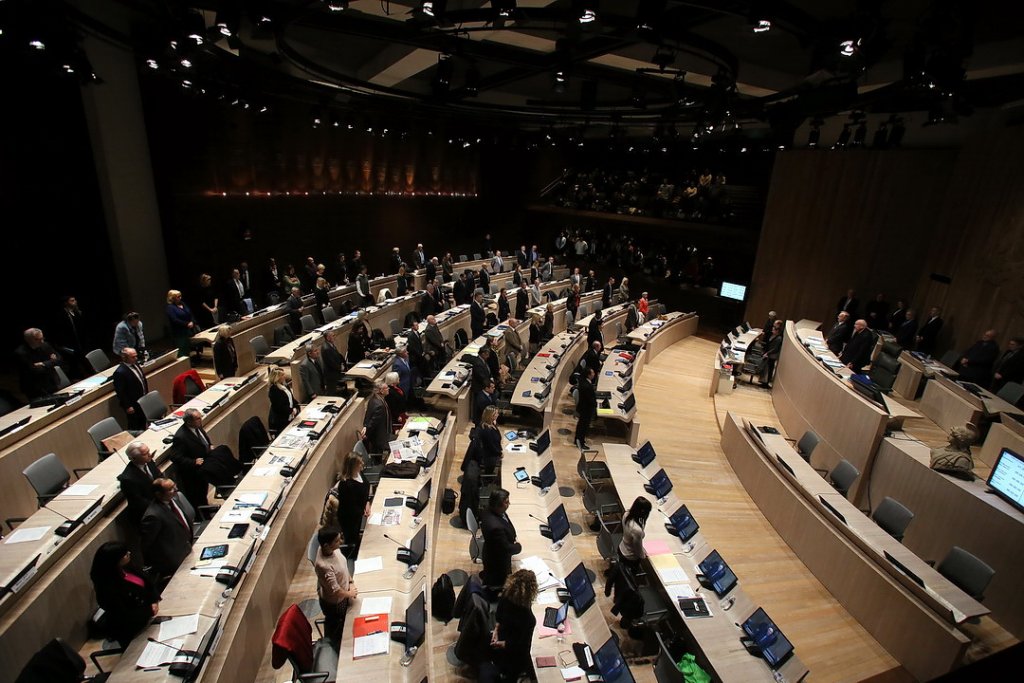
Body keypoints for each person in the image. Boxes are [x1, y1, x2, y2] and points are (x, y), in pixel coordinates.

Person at [90, 542, 159, 647]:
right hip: (133, 629)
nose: (129, 553)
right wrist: (149, 609)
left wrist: (154, 600)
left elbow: (148, 584)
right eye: (125, 554)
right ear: (115, 560)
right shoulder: (108, 588)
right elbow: (124, 614)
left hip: (148, 617)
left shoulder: (127, 568)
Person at [140, 478, 194, 580]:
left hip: (186, 548)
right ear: (158, 494)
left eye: (174, 486)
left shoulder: (174, 500)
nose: (175, 489)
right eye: (170, 489)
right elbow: (147, 545)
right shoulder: (153, 516)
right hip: (173, 560)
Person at [490, 569, 538, 682]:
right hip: (512, 657)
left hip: (500, 640)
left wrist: (496, 631)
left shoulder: (506, 595)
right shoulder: (528, 619)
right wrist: (502, 644)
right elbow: (522, 648)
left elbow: (499, 616)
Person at [314, 526, 357, 643]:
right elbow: (336, 591)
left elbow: (342, 566)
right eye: (337, 541)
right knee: (352, 620)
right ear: (327, 545)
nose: (341, 542)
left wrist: (350, 581)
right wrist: (350, 593)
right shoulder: (324, 566)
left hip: (346, 588)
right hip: (336, 603)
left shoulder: (330, 549)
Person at [171, 408, 216, 509]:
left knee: (203, 492)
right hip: (192, 474)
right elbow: (175, 457)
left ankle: (206, 509)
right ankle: (202, 515)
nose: (200, 420)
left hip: (203, 468)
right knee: (197, 496)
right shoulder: (181, 437)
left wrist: (209, 445)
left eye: (200, 417)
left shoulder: (197, 427)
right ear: (188, 421)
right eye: (197, 418)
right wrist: (193, 462)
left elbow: (203, 440)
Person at [480, 488, 521, 588]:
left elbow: (506, 522)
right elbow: (506, 549)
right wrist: (518, 547)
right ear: (498, 504)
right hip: (498, 564)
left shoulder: (490, 510)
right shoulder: (495, 527)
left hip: (492, 549)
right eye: (506, 502)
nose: (509, 504)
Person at [333, 455, 371, 555]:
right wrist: (363, 510)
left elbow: (366, 489)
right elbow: (350, 507)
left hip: (360, 512)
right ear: (352, 466)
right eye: (360, 463)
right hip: (350, 519)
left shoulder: (359, 473)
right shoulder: (345, 485)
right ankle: (353, 555)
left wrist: (367, 502)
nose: (362, 464)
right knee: (353, 542)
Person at [117, 441, 162, 523]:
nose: (150, 454)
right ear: (133, 458)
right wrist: (161, 505)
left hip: (159, 504)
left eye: (149, 451)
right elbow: (138, 502)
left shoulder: (149, 462)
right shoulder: (127, 479)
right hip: (147, 515)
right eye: (145, 454)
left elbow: (159, 477)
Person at [15, 328, 64, 399]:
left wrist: (43, 364)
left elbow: (59, 359)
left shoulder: (45, 345)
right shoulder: (20, 353)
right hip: (34, 387)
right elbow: (35, 370)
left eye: (42, 338)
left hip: (51, 381)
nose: (42, 341)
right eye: (37, 339)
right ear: (28, 340)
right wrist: (52, 362)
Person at [113, 347, 149, 431]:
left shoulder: (136, 365)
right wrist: (127, 406)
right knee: (135, 427)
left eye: (136, 356)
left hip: (142, 400)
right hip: (133, 405)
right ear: (124, 358)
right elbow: (120, 392)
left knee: (143, 423)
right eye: (133, 357)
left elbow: (142, 380)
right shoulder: (120, 372)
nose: (136, 358)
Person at [54, 295, 89, 379]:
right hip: (69, 344)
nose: (75, 302)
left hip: (79, 342)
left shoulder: (76, 312)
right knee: (74, 364)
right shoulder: (61, 315)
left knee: (83, 362)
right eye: (72, 301)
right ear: (66, 303)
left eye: (75, 300)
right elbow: (61, 331)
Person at [617, 496, 652, 575]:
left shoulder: (626, 515)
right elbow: (638, 550)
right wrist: (644, 556)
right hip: (629, 556)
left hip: (621, 547)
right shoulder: (637, 530)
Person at [361, 381, 392, 453]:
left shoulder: (374, 399)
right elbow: (373, 422)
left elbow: (368, 416)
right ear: (381, 390)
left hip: (381, 434)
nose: (388, 389)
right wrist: (366, 432)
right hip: (379, 438)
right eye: (386, 388)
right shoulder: (379, 405)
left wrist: (365, 426)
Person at [166, 289, 196, 358]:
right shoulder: (170, 308)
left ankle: (189, 362)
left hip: (188, 330)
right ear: (172, 298)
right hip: (179, 332)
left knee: (187, 348)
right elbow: (174, 320)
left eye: (180, 296)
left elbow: (190, 313)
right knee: (182, 349)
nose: (180, 298)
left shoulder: (183, 304)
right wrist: (186, 324)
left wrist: (192, 321)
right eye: (178, 296)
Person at [268, 367, 298, 432]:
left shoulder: (285, 385)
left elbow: (291, 398)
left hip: (291, 415)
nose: (284, 376)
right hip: (282, 420)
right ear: (277, 378)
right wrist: (291, 411)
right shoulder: (273, 390)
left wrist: (296, 406)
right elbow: (280, 406)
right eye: (282, 375)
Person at [574, 365, 597, 449]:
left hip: (584, 407)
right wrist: (595, 404)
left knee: (581, 425)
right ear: (588, 375)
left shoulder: (585, 382)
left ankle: (578, 440)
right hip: (586, 409)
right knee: (583, 426)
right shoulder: (586, 386)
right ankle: (580, 442)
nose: (594, 374)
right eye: (592, 373)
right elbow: (590, 399)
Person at [476, 405, 502, 474]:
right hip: (490, 457)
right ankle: (489, 480)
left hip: (494, 453)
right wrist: (500, 453)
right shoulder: (487, 430)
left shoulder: (491, 425)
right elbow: (491, 446)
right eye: (496, 413)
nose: (498, 414)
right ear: (491, 415)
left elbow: (498, 436)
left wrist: (494, 424)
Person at [760, 320, 784, 386]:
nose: (772, 331)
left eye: (773, 330)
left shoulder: (779, 338)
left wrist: (767, 353)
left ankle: (766, 382)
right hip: (769, 353)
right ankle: (763, 381)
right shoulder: (773, 336)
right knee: (766, 368)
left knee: (769, 369)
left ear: (777, 331)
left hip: (772, 355)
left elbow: (775, 349)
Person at [321, 330, 345, 396]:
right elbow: (331, 362)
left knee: (333, 390)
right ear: (328, 338)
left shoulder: (330, 345)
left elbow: (336, 356)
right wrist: (340, 367)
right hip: (330, 374)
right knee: (331, 392)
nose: (335, 337)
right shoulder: (326, 348)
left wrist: (341, 364)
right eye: (333, 336)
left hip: (334, 372)